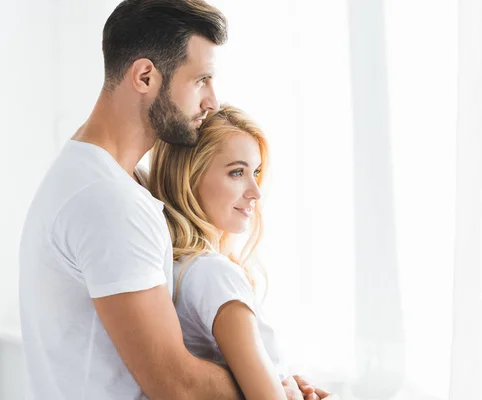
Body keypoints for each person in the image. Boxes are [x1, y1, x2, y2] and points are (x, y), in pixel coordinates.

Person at [18, 1, 256, 398]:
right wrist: (266, 381)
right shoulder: (110, 201)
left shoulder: (97, 176)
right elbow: (175, 386)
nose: (212, 101)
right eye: (201, 80)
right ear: (145, 76)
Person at [147, 104, 334, 400]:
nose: (256, 192)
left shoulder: (178, 268)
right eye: (236, 172)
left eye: (255, 172)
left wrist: (284, 384)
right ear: (189, 176)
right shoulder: (213, 273)